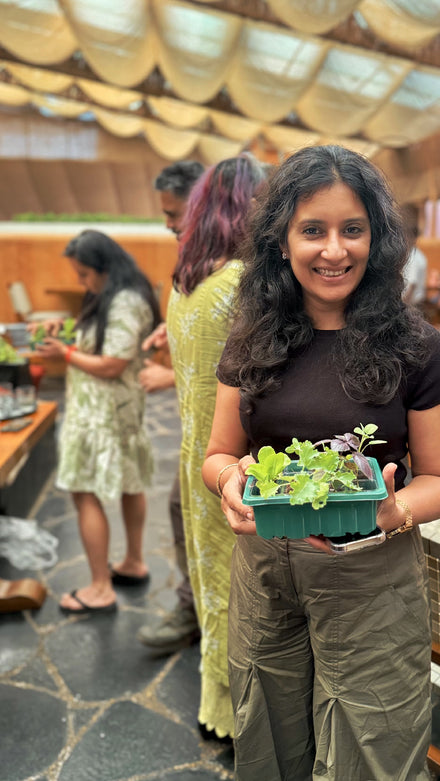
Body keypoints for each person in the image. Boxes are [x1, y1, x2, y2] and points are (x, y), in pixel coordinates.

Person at [202, 145, 440, 779]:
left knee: (370, 745)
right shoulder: (252, 336)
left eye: (353, 230)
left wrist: (396, 507)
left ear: (377, 239)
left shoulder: (416, 346)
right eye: (312, 230)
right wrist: (232, 481)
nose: (334, 250)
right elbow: (218, 455)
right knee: (267, 734)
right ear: (281, 241)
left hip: (371, 575)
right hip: (266, 571)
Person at [164, 154, 268, 739]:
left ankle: (216, 706)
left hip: (194, 457)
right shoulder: (242, 286)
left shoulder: (185, 283)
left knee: (212, 586)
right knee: (242, 591)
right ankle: (240, 716)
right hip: (236, 463)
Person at [36, 230, 161, 613]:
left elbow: (111, 364)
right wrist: (67, 331)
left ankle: (100, 588)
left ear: (105, 268)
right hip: (115, 412)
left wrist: (65, 352)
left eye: (84, 274)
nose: (81, 282)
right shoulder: (116, 293)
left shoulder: (124, 301)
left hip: (101, 416)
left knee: (83, 490)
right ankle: (134, 562)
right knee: (129, 482)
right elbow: (102, 343)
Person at [136, 160, 204, 651]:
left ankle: (198, 609)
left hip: (220, 430)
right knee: (181, 510)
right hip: (196, 426)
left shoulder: (233, 265)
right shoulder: (192, 257)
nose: (168, 223)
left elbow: (230, 355)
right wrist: (171, 331)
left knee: (189, 511)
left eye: (173, 212)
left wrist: (172, 372)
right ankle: (193, 605)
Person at [402, 224, 428, 308]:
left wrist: (403, 306)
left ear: (413, 238)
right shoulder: (413, 254)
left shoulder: (414, 257)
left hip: (410, 303)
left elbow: (412, 284)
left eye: (406, 236)